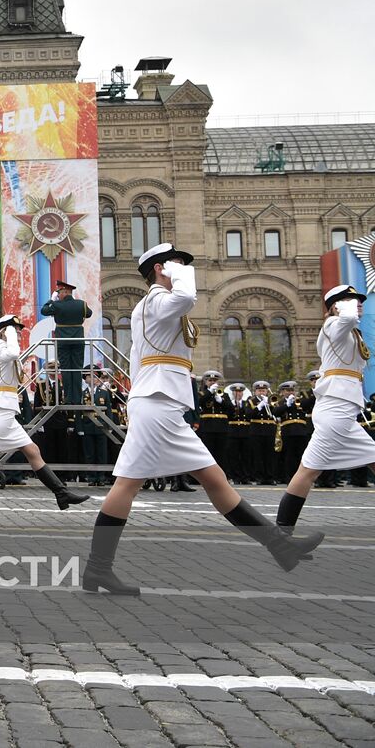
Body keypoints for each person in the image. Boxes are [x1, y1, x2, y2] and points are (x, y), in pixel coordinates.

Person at [80, 243, 324, 596]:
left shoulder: (159, 306)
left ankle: (280, 547)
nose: (184, 268)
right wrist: (178, 276)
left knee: (207, 479)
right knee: (140, 484)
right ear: (161, 268)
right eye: (178, 263)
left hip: (159, 402)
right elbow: (187, 297)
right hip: (157, 404)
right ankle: (97, 569)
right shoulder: (156, 301)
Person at [0, 315, 91, 519]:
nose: (19, 332)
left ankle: (61, 494)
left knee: (32, 450)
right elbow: (14, 352)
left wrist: (11, 334)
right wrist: (9, 334)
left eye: (18, 329)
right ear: (5, 330)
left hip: (7, 411)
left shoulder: (5, 348)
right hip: (1, 412)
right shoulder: (3, 347)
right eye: (15, 328)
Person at [276, 285, 375, 530]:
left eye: (359, 300)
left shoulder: (350, 331)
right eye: (350, 299)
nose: (358, 303)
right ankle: (281, 534)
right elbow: (349, 316)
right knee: (308, 472)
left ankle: (281, 533)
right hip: (335, 409)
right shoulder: (333, 325)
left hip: (343, 410)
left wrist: (346, 308)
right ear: (335, 306)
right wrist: (345, 309)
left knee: (309, 471)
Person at [40, 280, 92, 406]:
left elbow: (44, 310)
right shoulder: (81, 304)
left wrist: (51, 301)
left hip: (62, 342)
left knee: (66, 369)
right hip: (78, 341)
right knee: (77, 369)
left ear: (64, 292)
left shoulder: (57, 305)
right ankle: (77, 398)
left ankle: (69, 398)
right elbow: (89, 314)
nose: (58, 295)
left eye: (59, 293)